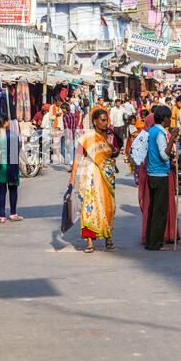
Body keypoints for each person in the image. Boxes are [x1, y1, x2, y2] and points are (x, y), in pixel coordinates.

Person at [67, 109, 119, 253]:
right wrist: (72, 180)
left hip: (107, 176)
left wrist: (111, 148)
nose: (105, 122)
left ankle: (108, 239)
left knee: (108, 207)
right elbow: (77, 160)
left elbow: (115, 152)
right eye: (102, 120)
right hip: (90, 175)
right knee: (90, 206)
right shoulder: (87, 137)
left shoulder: (109, 136)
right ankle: (90, 242)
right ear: (95, 121)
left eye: (106, 120)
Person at [138, 113, 180, 245]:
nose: (170, 121)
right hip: (160, 173)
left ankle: (151, 239)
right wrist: (172, 139)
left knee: (152, 208)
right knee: (160, 210)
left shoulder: (148, 132)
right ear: (164, 119)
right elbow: (164, 155)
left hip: (150, 173)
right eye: (169, 118)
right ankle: (155, 242)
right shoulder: (161, 134)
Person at [0, 115, 28, 223]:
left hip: (0, 166)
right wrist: (26, 162)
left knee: (1, 191)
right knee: (13, 190)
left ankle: (2, 216)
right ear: (6, 122)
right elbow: (18, 150)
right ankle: (13, 214)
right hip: (12, 164)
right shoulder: (13, 135)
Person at [61, 103, 76, 171]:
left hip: (68, 134)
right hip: (73, 134)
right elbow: (74, 125)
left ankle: (71, 166)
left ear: (65, 108)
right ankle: (73, 165)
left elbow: (67, 127)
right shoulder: (72, 114)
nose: (62, 110)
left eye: (62, 108)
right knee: (72, 150)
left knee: (69, 151)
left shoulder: (65, 116)